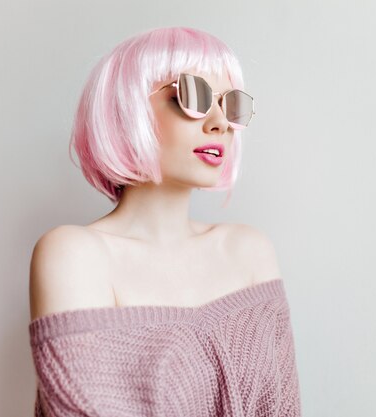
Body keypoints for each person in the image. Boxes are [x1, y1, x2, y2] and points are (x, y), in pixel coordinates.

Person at [28, 26, 301, 417]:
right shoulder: (74, 255)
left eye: (230, 105)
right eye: (192, 96)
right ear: (127, 110)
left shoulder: (249, 252)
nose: (219, 123)